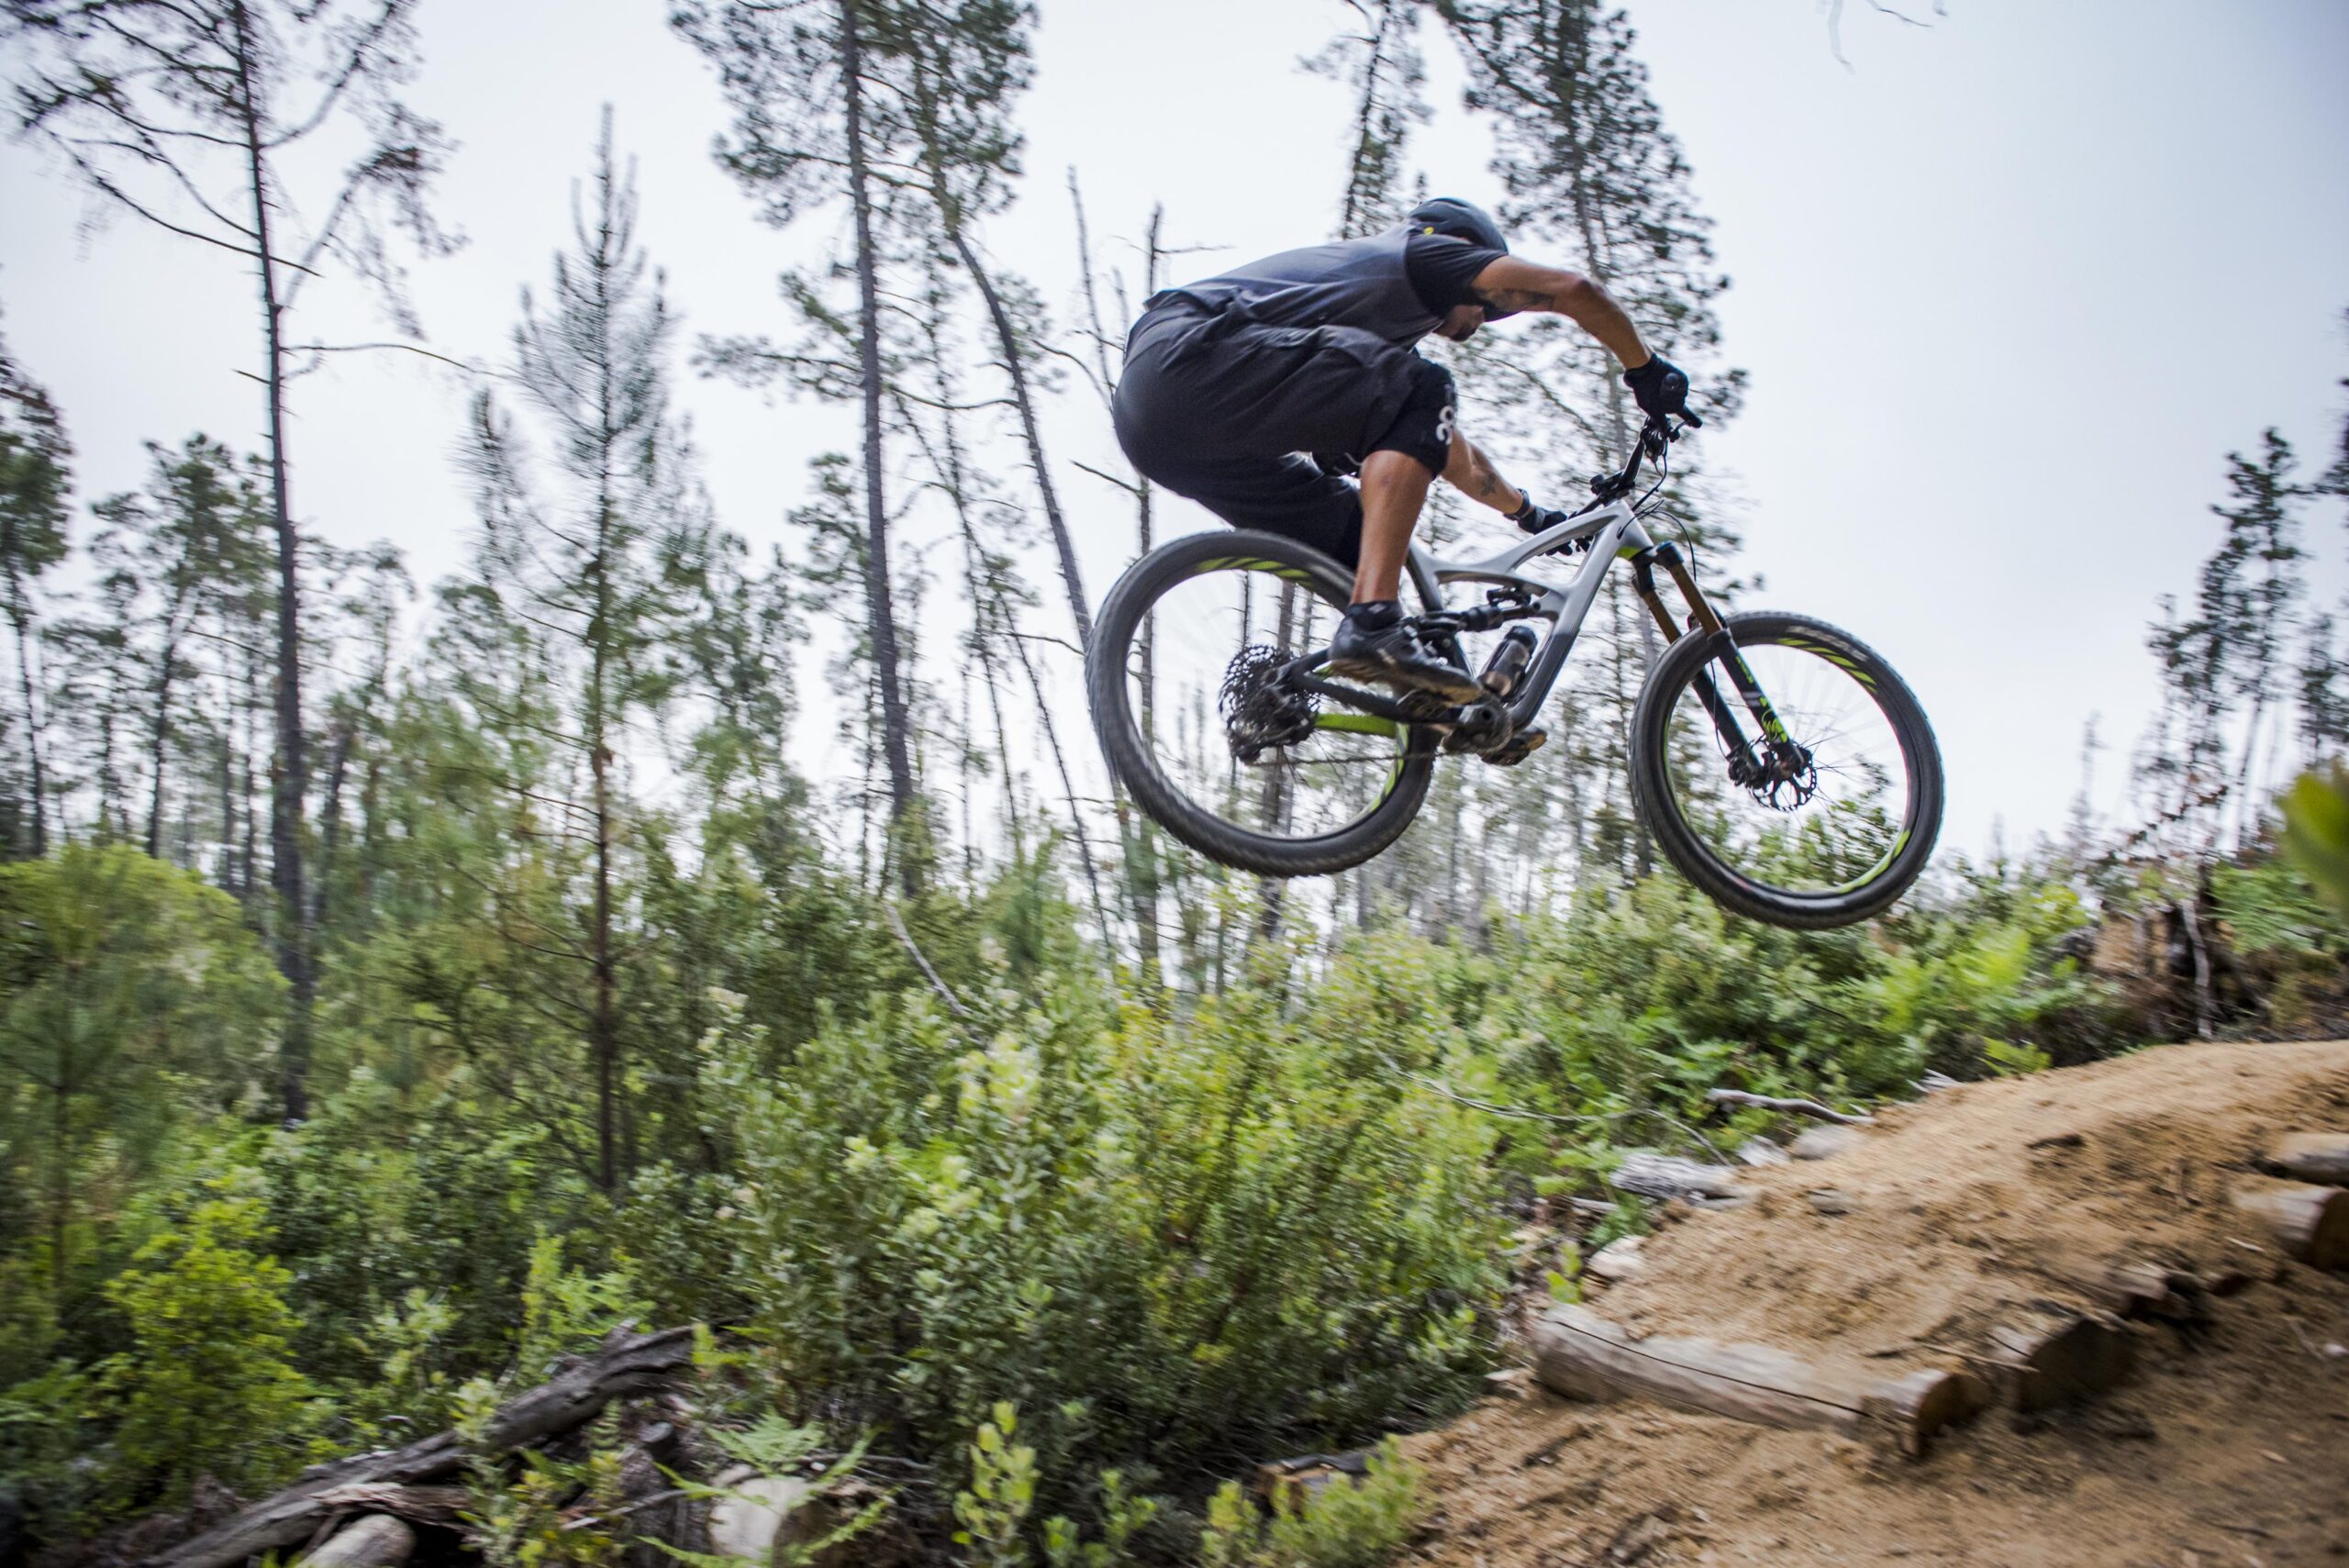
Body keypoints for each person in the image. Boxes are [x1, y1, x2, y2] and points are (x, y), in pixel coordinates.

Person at [1111, 196, 1696, 728]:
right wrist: (1645, 370)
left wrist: (1530, 515)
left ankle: (1453, 710)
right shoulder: (1424, 256)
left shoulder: (1376, 323)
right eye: (1487, 310)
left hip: (1161, 427)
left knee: (1357, 535)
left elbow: (1452, 453)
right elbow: (1573, 290)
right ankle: (1371, 625)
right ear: (1468, 252)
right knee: (1423, 389)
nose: (1483, 323)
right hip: (1189, 354)